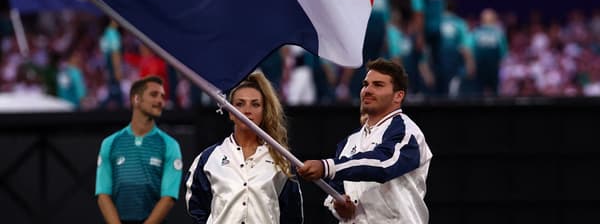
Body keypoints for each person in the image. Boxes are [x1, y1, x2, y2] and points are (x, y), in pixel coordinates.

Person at [297, 58, 432, 223]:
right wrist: (339, 205)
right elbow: (337, 191)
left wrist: (327, 166)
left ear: (398, 96)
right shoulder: (348, 142)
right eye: (365, 84)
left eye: (378, 85)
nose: (367, 90)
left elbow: (384, 164)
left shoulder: (407, 131)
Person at [185, 71, 303, 224]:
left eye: (255, 104)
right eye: (240, 104)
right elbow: (196, 208)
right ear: (230, 113)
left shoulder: (281, 160)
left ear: (264, 111)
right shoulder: (208, 159)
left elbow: (292, 215)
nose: (247, 111)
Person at [95, 76, 183, 224]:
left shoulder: (170, 145)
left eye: (162, 96)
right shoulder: (110, 143)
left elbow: (168, 197)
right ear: (136, 99)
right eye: (154, 95)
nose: (160, 101)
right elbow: (103, 194)